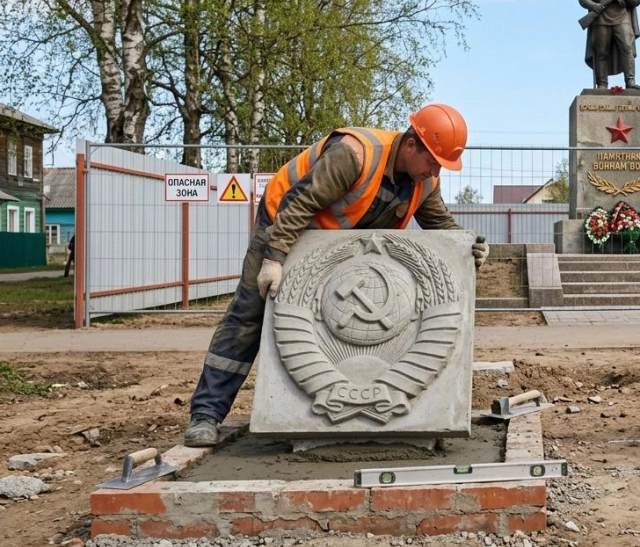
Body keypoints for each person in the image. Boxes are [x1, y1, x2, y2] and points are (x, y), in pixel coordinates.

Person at [183, 104, 490, 447]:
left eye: (441, 165)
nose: (435, 170)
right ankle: (206, 414)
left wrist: (469, 248)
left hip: (344, 255)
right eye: (433, 160)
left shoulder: (424, 181)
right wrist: (275, 258)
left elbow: (440, 227)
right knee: (248, 316)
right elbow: (298, 203)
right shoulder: (354, 155)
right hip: (285, 225)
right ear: (410, 145)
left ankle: (336, 417)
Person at [579, 0, 640, 90]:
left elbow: (637, 0)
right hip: (601, 19)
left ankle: (630, 81)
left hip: (622, 18)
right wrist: (593, 5)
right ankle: (602, 83)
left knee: (627, 48)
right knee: (601, 51)